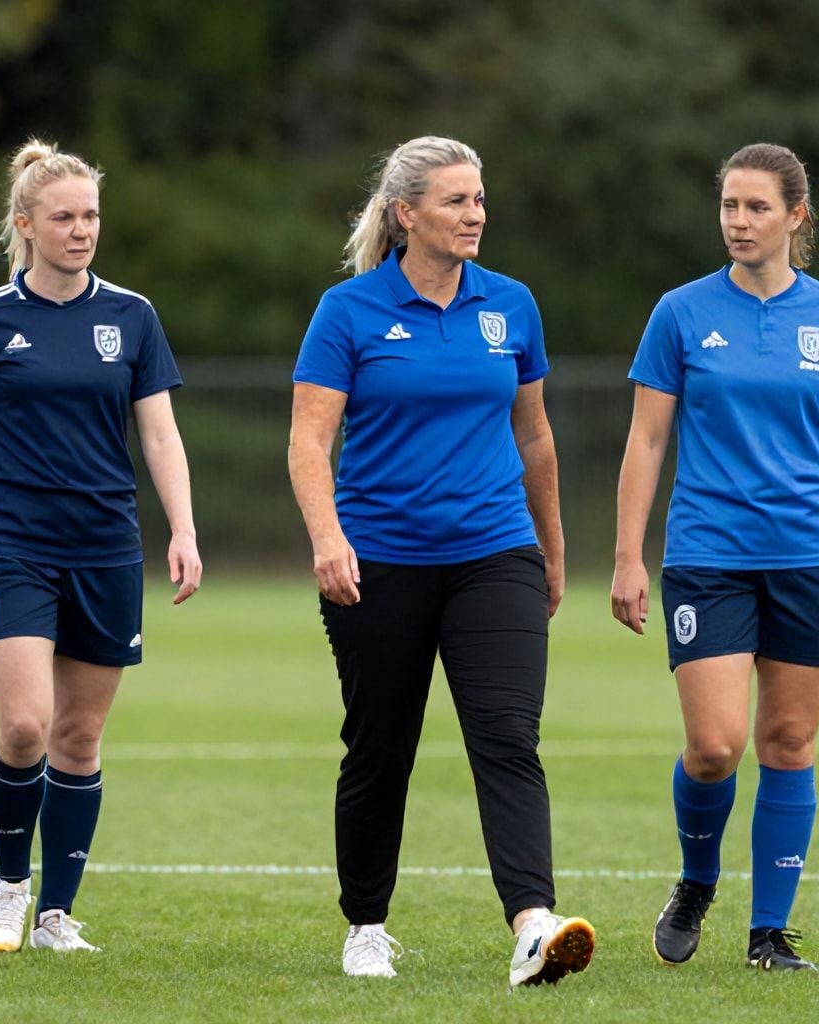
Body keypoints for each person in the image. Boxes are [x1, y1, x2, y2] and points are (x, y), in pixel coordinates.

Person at [288, 135, 594, 988]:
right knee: (380, 748)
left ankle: (534, 925)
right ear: (406, 214)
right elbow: (310, 441)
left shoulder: (512, 306)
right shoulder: (348, 311)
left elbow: (534, 435)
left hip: (495, 553)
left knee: (507, 738)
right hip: (376, 562)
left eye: (481, 199)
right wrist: (327, 537)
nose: (476, 214)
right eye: (457, 201)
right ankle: (366, 925)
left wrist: (552, 549)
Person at [611, 142, 819, 972]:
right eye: (728, 206)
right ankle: (696, 880)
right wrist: (626, 557)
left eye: (756, 208)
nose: (738, 222)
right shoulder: (679, 313)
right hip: (708, 553)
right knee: (716, 745)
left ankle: (769, 935)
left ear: (796, 217)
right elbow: (646, 440)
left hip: (809, 556)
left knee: (788, 741)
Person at [0, 139, 202, 956]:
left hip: (106, 546)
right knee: (25, 726)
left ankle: (57, 914)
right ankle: (9, 885)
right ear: (25, 224)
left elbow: (159, 436)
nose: (81, 229)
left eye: (91, 215)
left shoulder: (132, 315)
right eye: (63, 217)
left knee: (79, 740)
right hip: (11, 542)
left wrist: (184, 529)